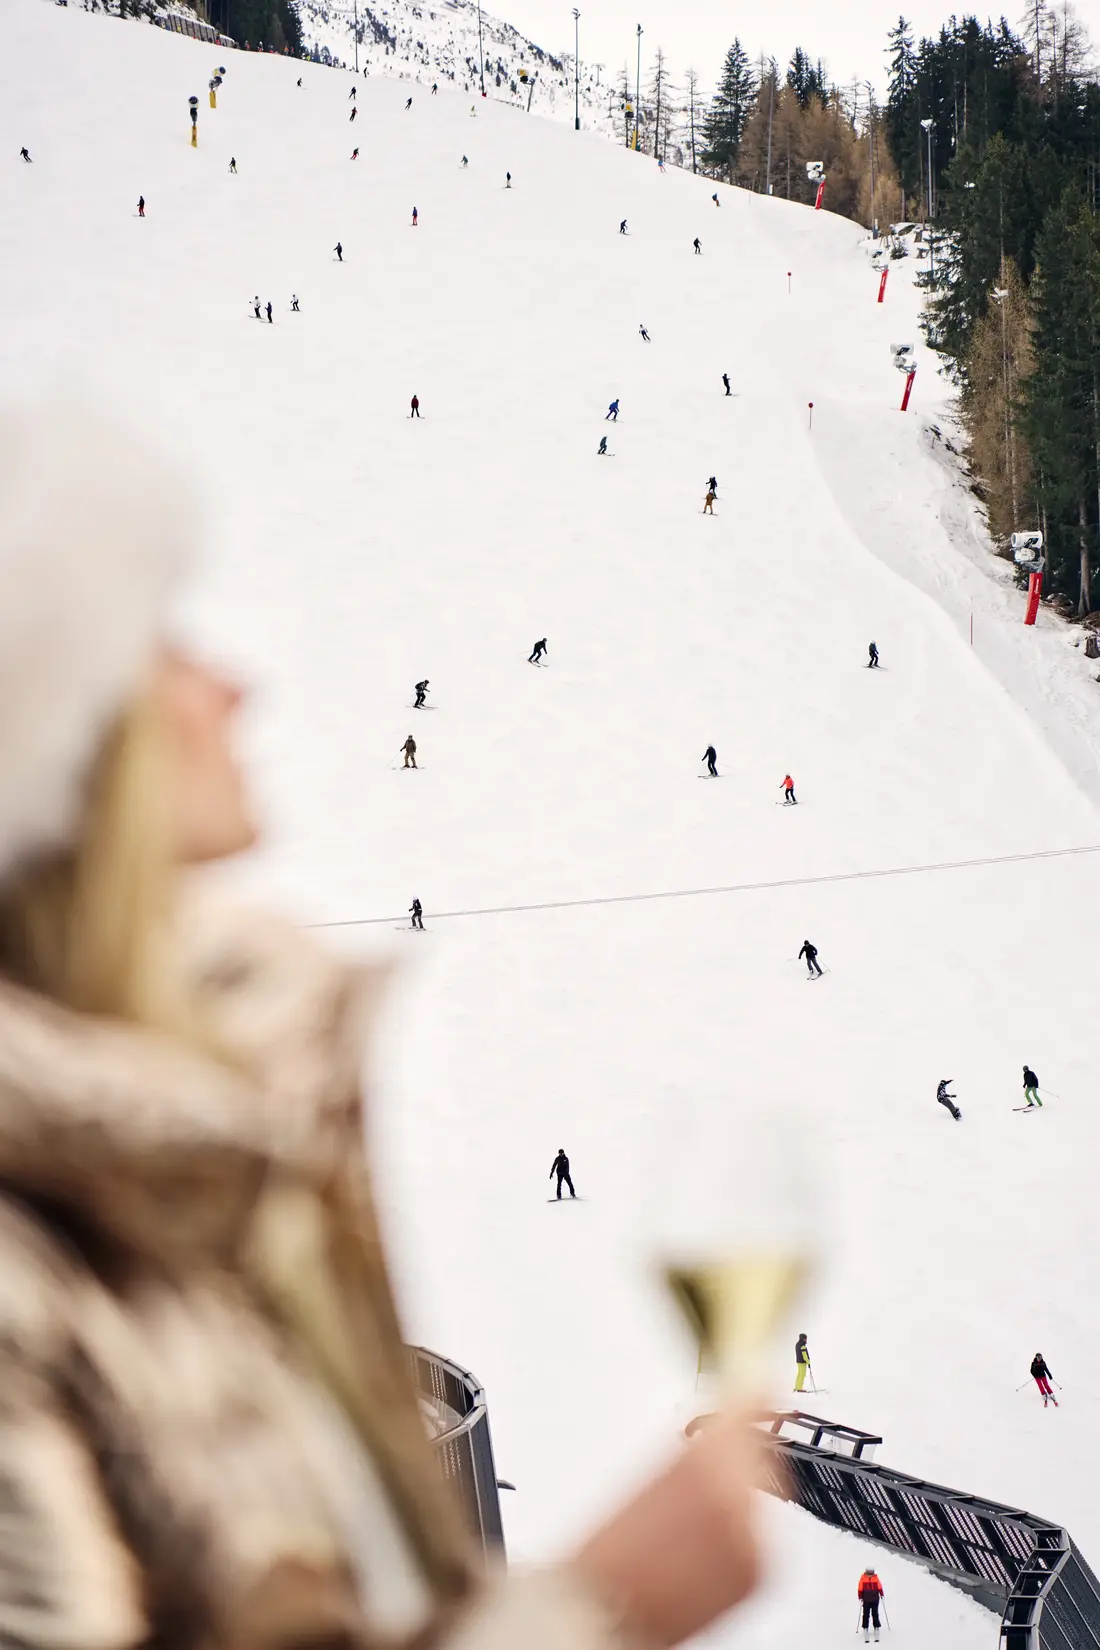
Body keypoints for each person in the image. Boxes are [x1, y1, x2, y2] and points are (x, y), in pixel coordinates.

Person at [0, 397, 764, 1650]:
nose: (232, 686)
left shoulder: (192, 1140)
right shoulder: (30, 1260)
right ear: (56, 743)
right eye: (163, 647)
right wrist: (599, 1612)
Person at [858, 1569, 884, 1642]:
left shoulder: (876, 1578)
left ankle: (876, 1627)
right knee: (866, 1615)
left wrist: (882, 1594)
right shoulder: (863, 1579)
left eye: (871, 1572)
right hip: (866, 1600)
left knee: (875, 1614)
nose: (870, 1574)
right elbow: (860, 1589)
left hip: (875, 1599)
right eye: (869, 1572)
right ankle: (865, 1628)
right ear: (866, 1572)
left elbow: (879, 1587)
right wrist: (860, 1598)